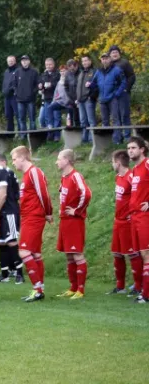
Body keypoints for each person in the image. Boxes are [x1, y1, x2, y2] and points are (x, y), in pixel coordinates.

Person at [10, 146, 53, 302]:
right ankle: (39, 288)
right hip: (28, 216)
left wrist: (48, 212)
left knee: (24, 252)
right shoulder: (28, 174)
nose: (13, 163)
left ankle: (37, 288)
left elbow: (44, 194)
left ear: (22, 157)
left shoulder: (34, 172)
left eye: (14, 159)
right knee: (35, 253)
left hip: (34, 217)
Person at [55, 149, 92, 300]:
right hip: (65, 221)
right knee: (69, 255)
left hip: (74, 221)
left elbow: (87, 193)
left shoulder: (75, 176)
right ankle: (73, 287)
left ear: (67, 160)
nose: (56, 162)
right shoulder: (64, 177)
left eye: (59, 159)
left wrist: (77, 211)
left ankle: (81, 290)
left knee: (77, 254)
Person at [108, 150, 142, 296]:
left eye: (112, 162)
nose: (112, 164)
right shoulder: (118, 178)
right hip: (118, 221)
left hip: (128, 222)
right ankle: (120, 286)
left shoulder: (131, 177)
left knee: (133, 254)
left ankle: (138, 286)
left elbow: (139, 194)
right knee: (117, 253)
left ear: (118, 162)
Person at [0, 151, 23, 284]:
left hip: (9, 211)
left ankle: (19, 273)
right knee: (2, 242)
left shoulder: (1, 171)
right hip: (1, 213)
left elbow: (3, 195)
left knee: (11, 241)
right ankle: (4, 274)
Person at [127, 137, 149, 303]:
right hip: (135, 216)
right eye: (128, 148)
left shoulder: (147, 164)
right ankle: (142, 289)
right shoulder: (135, 169)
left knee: (146, 254)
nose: (130, 151)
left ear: (142, 149)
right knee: (140, 254)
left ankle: (146, 295)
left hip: (145, 217)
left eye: (133, 147)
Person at [88, 53, 127, 144]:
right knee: (105, 120)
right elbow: (94, 82)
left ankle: (117, 140)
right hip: (102, 99)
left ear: (110, 59)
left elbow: (123, 82)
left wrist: (117, 94)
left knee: (115, 119)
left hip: (113, 98)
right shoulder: (98, 72)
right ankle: (106, 142)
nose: (105, 60)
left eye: (106, 58)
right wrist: (90, 85)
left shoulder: (116, 70)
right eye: (103, 59)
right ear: (101, 60)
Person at [110, 45, 136, 141]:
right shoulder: (109, 65)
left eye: (116, 52)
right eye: (113, 52)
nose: (115, 54)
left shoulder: (124, 63)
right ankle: (117, 138)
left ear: (119, 53)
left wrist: (126, 88)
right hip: (112, 95)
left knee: (125, 114)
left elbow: (132, 76)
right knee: (115, 116)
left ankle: (127, 137)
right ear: (110, 55)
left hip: (123, 93)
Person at [13, 55, 40, 134]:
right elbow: (14, 84)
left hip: (31, 99)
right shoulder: (17, 72)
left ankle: (33, 136)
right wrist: (16, 93)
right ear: (21, 62)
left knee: (32, 118)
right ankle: (23, 136)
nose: (24, 62)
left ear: (29, 61)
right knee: (21, 119)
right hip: (20, 100)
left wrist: (33, 92)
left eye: (26, 60)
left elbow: (37, 84)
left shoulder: (34, 72)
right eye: (22, 60)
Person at [45, 65, 71, 141]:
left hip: (69, 102)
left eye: (64, 71)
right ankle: (50, 125)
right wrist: (54, 101)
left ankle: (68, 136)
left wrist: (64, 98)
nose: (62, 73)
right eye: (61, 71)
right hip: (60, 102)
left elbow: (70, 93)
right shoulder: (59, 81)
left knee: (68, 117)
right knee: (50, 107)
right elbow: (56, 92)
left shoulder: (70, 79)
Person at [76, 55, 98, 143]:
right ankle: (84, 139)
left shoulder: (94, 72)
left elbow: (97, 86)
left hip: (89, 99)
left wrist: (91, 96)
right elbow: (78, 87)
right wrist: (77, 98)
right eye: (83, 61)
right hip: (80, 100)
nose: (84, 62)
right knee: (83, 120)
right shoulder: (81, 73)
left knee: (91, 120)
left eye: (86, 60)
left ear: (90, 61)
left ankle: (92, 138)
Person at [38, 58, 60, 130]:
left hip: (56, 98)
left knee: (56, 116)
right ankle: (50, 134)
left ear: (53, 65)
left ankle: (57, 135)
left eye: (50, 64)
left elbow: (60, 83)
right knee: (48, 117)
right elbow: (41, 84)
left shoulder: (58, 73)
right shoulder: (43, 75)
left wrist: (52, 84)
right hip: (47, 98)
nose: (48, 66)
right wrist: (40, 87)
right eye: (47, 65)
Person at [2, 55, 18, 132]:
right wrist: (4, 91)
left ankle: (21, 133)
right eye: (9, 61)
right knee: (8, 114)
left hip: (14, 96)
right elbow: (4, 83)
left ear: (15, 61)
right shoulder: (6, 71)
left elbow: (17, 83)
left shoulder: (18, 70)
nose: (10, 62)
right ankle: (10, 133)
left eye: (12, 61)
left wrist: (12, 90)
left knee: (17, 114)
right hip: (6, 97)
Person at [66, 59, 81, 127]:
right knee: (75, 118)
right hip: (72, 99)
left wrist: (79, 98)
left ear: (76, 66)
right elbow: (66, 86)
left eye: (73, 66)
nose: (72, 68)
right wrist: (69, 96)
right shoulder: (68, 74)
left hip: (80, 98)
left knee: (82, 117)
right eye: (69, 67)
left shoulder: (81, 73)